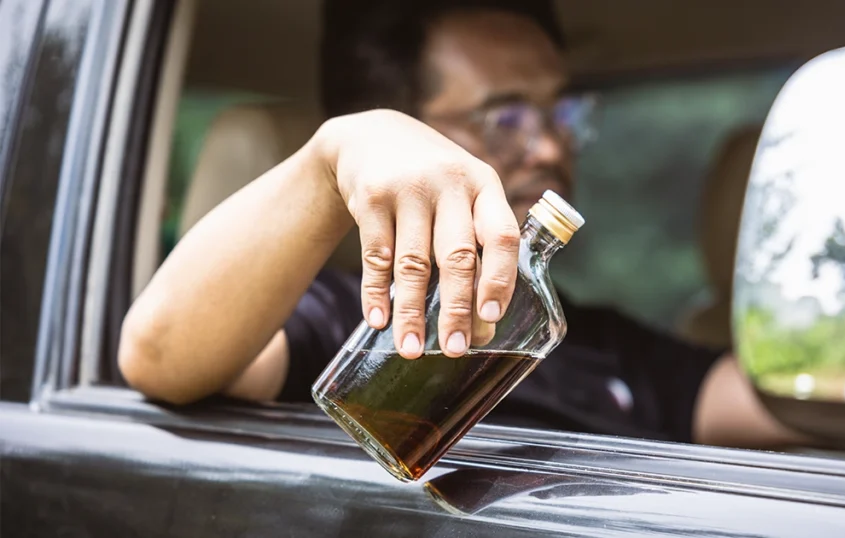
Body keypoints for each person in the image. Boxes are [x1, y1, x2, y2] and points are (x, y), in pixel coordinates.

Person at [119, 0, 799, 449]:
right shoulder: (340, 318)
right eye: (505, 117)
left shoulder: (594, 340)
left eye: (558, 112)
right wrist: (333, 159)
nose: (550, 148)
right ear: (400, 127)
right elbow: (160, 358)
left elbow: (793, 406)